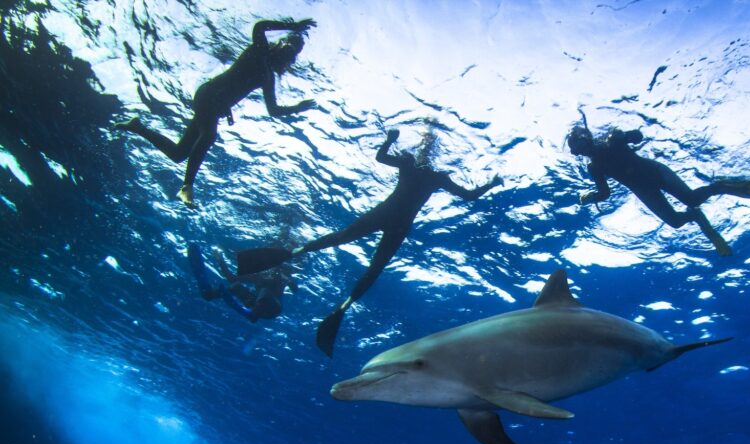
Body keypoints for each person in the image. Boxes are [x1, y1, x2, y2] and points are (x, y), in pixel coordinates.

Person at [235, 126, 503, 357]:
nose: (425, 151)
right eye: (426, 145)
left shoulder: (426, 171)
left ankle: (336, 300)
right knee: (352, 249)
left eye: (428, 146)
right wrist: (389, 140)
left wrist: (391, 139)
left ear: (428, 151)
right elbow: (467, 195)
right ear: (426, 150)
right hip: (393, 221)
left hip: (389, 218)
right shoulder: (425, 172)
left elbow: (466, 195)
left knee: (362, 258)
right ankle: (297, 257)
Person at [114, 18, 318, 206]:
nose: (289, 54)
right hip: (207, 95)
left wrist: (297, 108)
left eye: (293, 54)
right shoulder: (260, 50)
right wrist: (293, 26)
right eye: (290, 47)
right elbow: (260, 26)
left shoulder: (268, 77)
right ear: (281, 45)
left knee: (178, 154)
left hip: (214, 106)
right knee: (209, 135)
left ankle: (137, 127)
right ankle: (187, 187)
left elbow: (273, 110)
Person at [566, 124, 750, 256]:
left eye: (580, 143)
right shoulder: (594, 168)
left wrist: (625, 136)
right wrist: (590, 196)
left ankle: (720, 186)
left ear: (588, 138)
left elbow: (638, 136)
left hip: (655, 172)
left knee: (692, 198)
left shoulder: (610, 142)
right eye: (577, 148)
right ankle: (695, 216)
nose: (582, 149)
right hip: (643, 190)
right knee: (676, 222)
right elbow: (605, 193)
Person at [188, 242, 297, 323]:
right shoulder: (258, 276)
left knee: (264, 291)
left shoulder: (279, 277)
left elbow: (295, 289)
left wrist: (289, 281)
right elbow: (231, 279)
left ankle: (252, 314)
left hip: (273, 309)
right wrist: (220, 260)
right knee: (235, 287)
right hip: (256, 305)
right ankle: (208, 294)